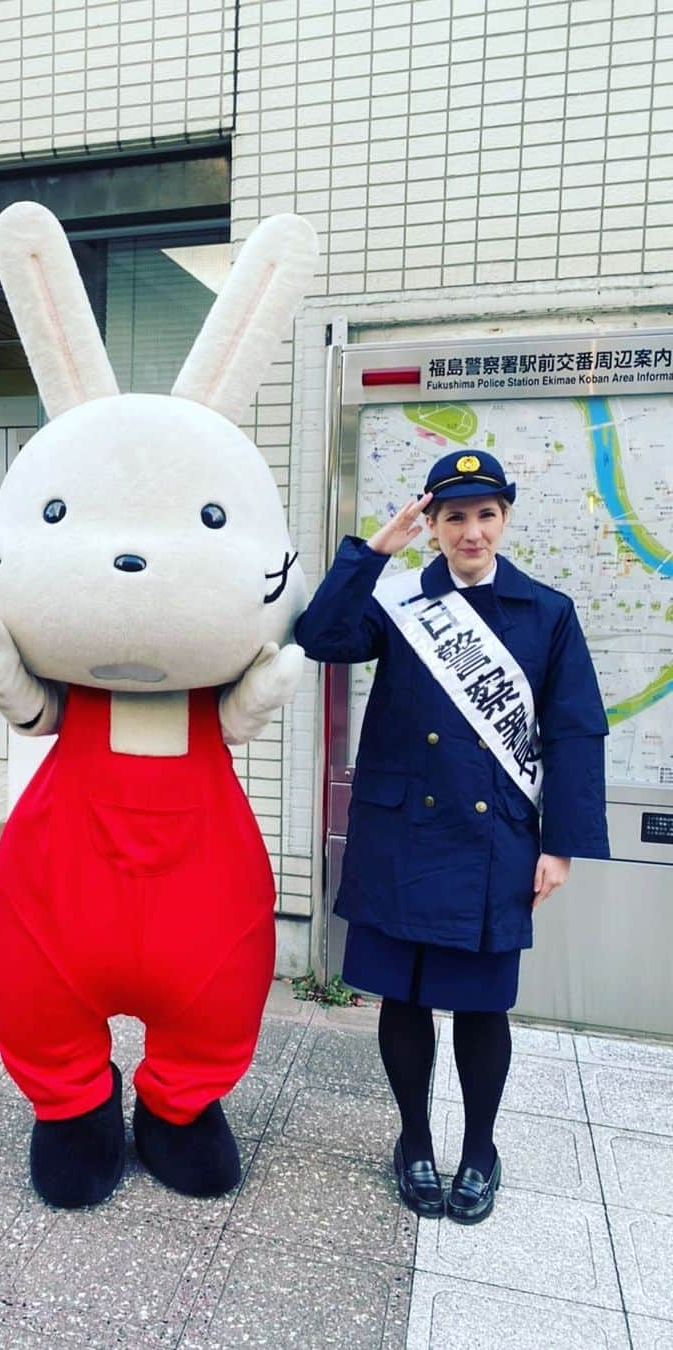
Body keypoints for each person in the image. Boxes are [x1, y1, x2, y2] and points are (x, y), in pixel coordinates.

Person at [295, 450, 608, 1223]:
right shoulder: (399, 601)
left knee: (479, 1007)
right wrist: (371, 553)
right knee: (401, 1001)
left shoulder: (546, 612)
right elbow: (321, 635)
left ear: (504, 519)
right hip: (402, 835)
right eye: (454, 517)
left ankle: (479, 1150)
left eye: (485, 514)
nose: (472, 531)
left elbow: (574, 731)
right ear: (431, 525)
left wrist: (560, 842)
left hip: (492, 841)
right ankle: (413, 1140)